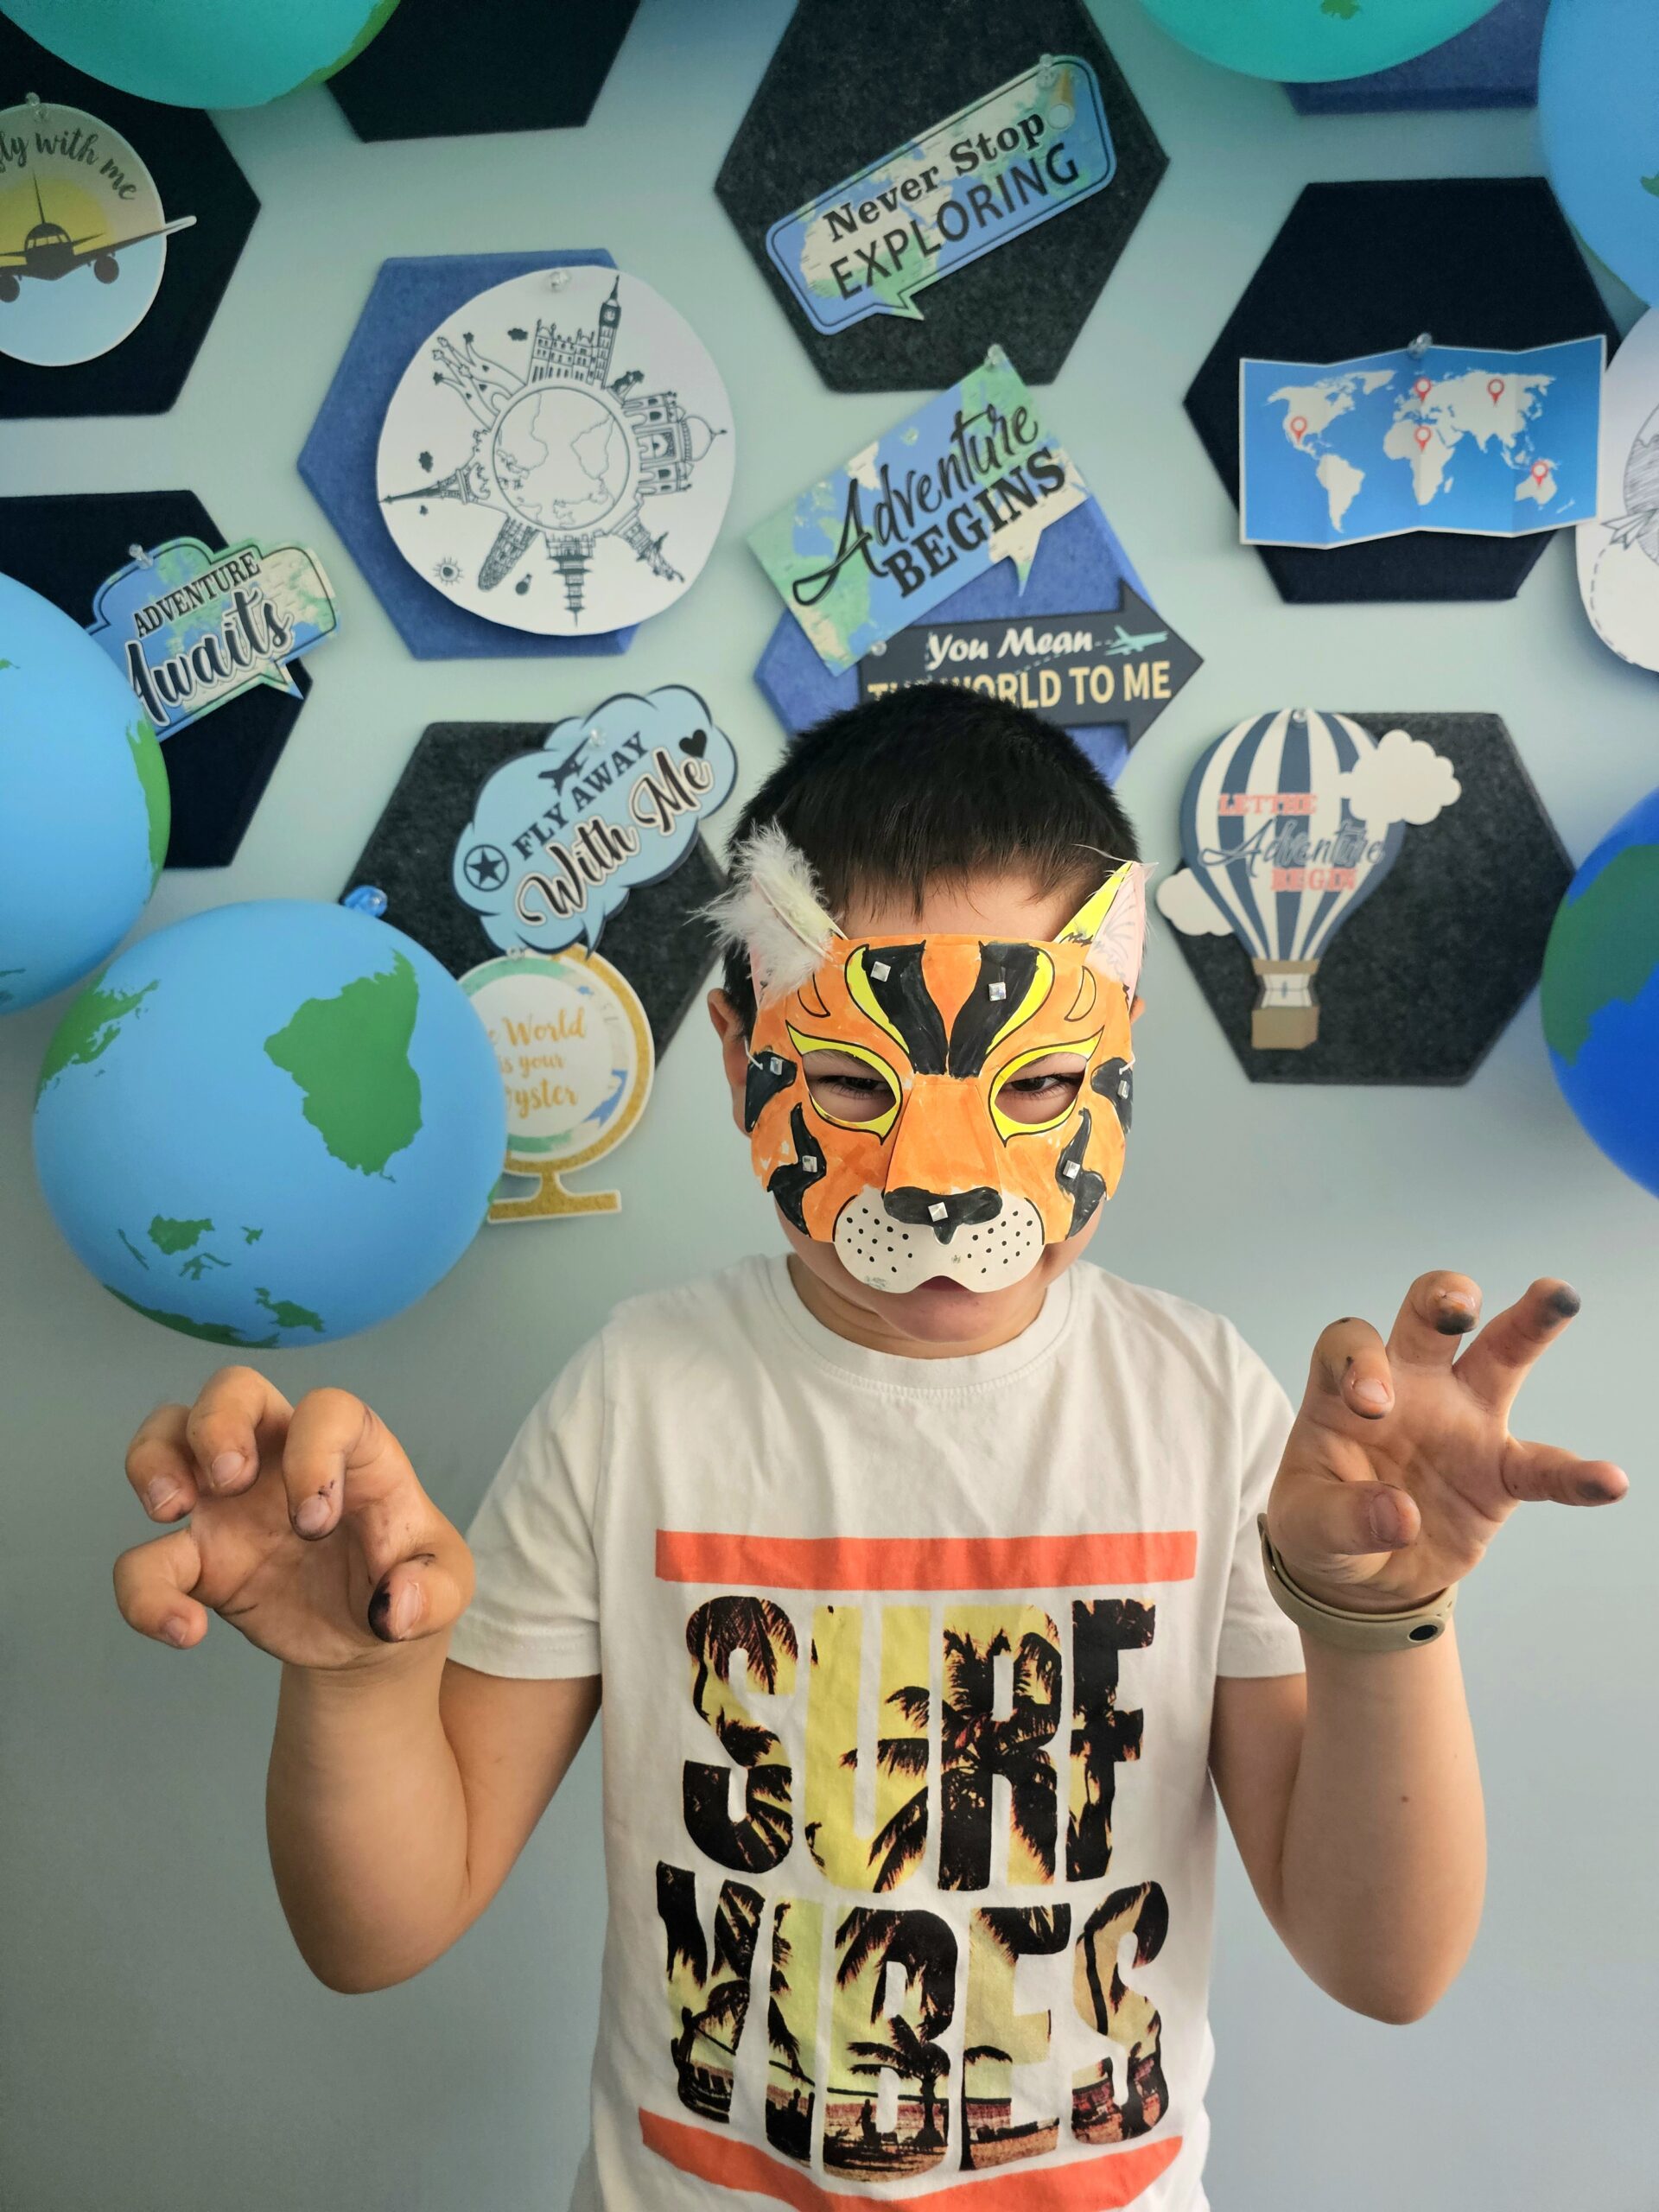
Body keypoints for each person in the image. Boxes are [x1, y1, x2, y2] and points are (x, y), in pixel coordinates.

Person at [112, 688, 1626, 2210]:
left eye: (1037, 1085)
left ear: (1120, 1055)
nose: (946, 1186)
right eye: (850, 1085)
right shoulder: (637, 1399)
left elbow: (1385, 1966)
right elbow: (376, 1934)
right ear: (738, 1052)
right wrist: (357, 1679)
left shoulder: (1207, 1405)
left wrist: (1381, 1623)